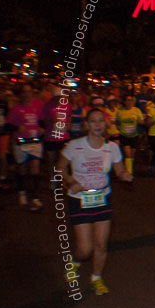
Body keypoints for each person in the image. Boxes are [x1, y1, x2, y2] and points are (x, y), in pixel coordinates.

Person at [56, 108, 133, 295]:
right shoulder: (75, 145)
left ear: (105, 123)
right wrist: (71, 181)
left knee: (100, 245)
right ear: (86, 124)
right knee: (85, 249)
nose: (98, 124)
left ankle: (96, 278)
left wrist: (125, 175)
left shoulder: (112, 147)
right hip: (79, 199)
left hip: (102, 198)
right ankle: (74, 261)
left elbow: (119, 169)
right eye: (93, 121)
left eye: (101, 120)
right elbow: (59, 168)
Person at [8, 84, 45, 210]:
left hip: (34, 140)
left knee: (35, 167)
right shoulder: (16, 108)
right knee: (22, 168)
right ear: (21, 94)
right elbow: (8, 125)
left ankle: (35, 197)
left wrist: (42, 128)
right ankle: (22, 191)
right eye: (24, 92)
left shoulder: (38, 105)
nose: (27, 94)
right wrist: (17, 128)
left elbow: (42, 120)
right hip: (20, 141)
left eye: (29, 91)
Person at [115, 94, 145, 175]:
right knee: (128, 155)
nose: (129, 102)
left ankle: (128, 167)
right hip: (124, 135)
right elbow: (117, 121)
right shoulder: (120, 111)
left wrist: (140, 121)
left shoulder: (136, 110)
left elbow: (142, 121)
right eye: (127, 100)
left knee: (132, 155)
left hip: (134, 136)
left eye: (131, 100)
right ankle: (129, 173)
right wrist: (118, 126)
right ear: (124, 102)